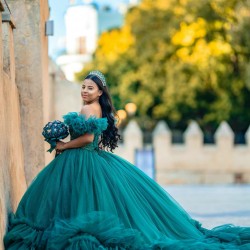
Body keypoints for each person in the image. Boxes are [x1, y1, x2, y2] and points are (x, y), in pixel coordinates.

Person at [4, 70, 250, 249]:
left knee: (78, 201)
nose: (85, 91)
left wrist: (64, 144)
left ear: (100, 92)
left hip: (82, 160)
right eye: (83, 86)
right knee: (91, 202)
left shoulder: (89, 109)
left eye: (90, 88)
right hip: (91, 161)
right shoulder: (97, 109)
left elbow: (89, 138)